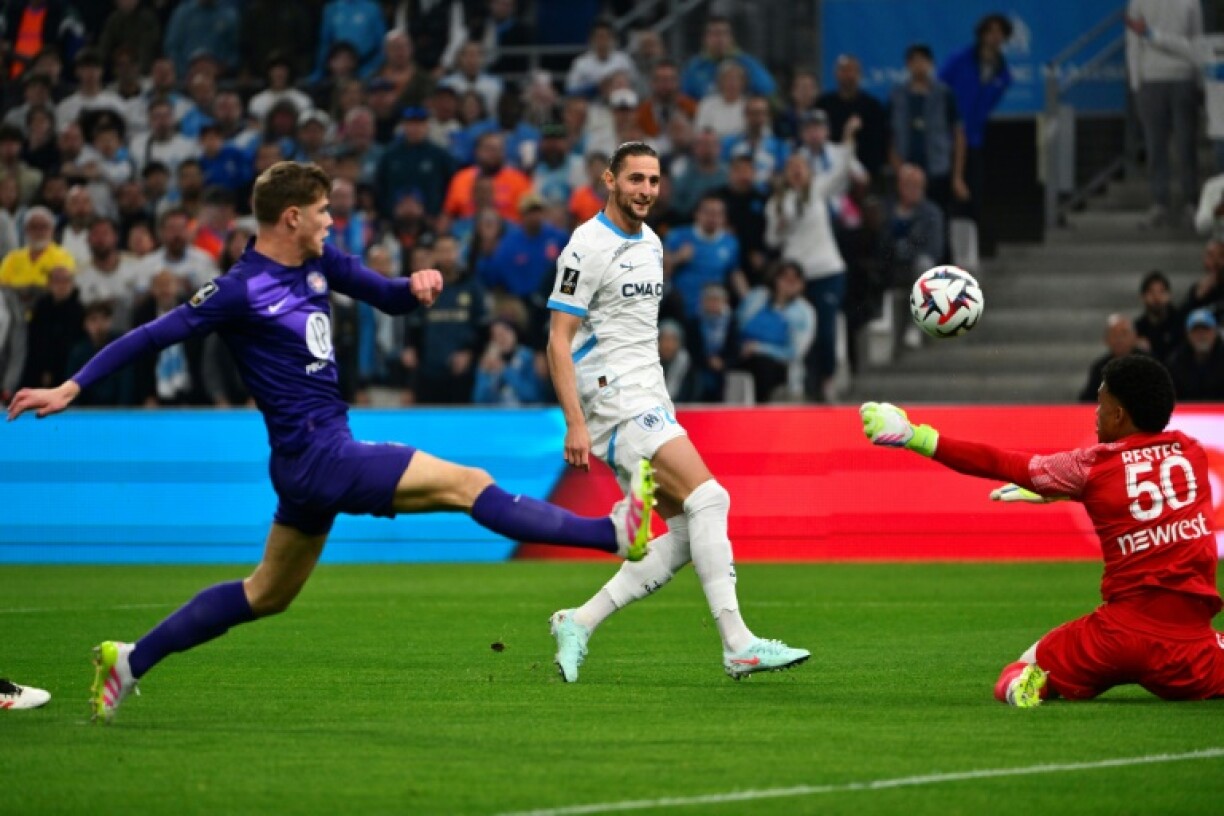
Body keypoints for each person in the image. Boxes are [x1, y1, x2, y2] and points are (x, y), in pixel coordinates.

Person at [6, 161, 657, 722]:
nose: (330, 222)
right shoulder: (239, 289)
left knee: (267, 593)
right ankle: (611, 532)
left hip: (312, 461)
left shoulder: (320, 264)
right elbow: (152, 335)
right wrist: (71, 386)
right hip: (319, 455)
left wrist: (417, 287)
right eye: (321, 212)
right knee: (470, 485)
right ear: (290, 217)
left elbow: (388, 297)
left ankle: (130, 659)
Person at [545, 141, 809, 682]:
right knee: (711, 497)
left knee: (689, 530)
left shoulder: (653, 244)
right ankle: (738, 643)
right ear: (609, 180)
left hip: (651, 398)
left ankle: (579, 620)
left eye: (654, 180)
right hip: (615, 401)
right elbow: (558, 338)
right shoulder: (586, 245)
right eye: (635, 179)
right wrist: (574, 420)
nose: (646, 190)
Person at [860, 354, 1224, 706]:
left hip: (1116, 639)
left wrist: (913, 436)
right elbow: (1150, 502)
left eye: (1100, 404)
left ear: (1118, 413)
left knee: (1021, 669)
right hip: (1190, 647)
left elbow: (1001, 462)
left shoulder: (1091, 465)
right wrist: (1063, 494)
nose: (1095, 414)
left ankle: (1026, 688)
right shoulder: (1192, 453)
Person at [1126, 0, 1202, 228]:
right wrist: (1137, 82)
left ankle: (1190, 202)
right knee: (1156, 146)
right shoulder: (1138, 2)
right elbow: (1133, 42)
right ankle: (1161, 203)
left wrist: (1198, 80)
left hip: (1181, 78)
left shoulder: (1191, 2)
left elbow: (1197, 43)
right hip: (1153, 78)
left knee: (1185, 144)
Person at [1077, 313, 1144, 403]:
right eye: (1114, 335)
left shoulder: (1147, 363)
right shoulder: (1100, 367)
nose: (1119, 339)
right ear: (1106, 339)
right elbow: (1088, 399)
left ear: (1134, 337)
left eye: (1124, 334)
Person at [1165, 307, 1224, 401]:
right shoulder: (1175, 363)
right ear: (1187, 335)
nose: (1201, 335)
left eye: (1205, 329)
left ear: (1215, 332)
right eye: (1195, 331)